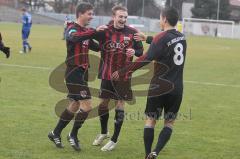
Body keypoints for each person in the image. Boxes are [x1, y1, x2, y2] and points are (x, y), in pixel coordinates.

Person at [112, 7, 187, 159]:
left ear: (164, 19)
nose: (160, 20)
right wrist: (147, 39)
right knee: (169, 123)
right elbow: (166, 44)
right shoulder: (182, 37)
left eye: (160, 18)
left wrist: (125, 71)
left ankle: (147, 154)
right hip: (177, 88)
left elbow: (146, 57)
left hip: (158, 86)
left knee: (150, 120)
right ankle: (156, 152)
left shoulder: (161, 37)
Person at [48, 2, 107, 151]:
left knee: (75, 104)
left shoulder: (85, 31)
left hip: (83, 73)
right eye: (89, 14)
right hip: (73, 72)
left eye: (92, 14)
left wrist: (107, 38)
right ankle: (73, 134)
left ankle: (55, 133)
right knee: (87, 106)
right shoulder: (72, 28)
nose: (91, 17)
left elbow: (98, 47)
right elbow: (74, 38)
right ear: (80, 14)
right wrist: (93, 31)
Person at [91, 5, 144, 151]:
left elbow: (140, 51)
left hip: (124, 76)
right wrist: (94, 31)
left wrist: (135, 50)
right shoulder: (105, 31)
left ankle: (114, 139)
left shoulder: (133, 32)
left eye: (125, 17)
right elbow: (90, 39)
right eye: (120, 16)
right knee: (103, 104)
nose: (123, 19)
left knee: (120, 104)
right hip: (106, 73)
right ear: (113, 17)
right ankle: (104, 132)